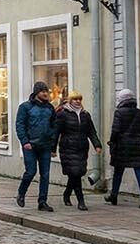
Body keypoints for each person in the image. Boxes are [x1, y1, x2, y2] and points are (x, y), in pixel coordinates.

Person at [54, 90, 102, 211]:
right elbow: (56, 132)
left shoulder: (85, 114)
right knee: (75, 174)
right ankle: (81, 201)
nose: (78, 101)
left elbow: (91, 131)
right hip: (68, 148)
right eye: (75, 99)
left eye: (79, 99)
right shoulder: (63, 114)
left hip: (81, 148)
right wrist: (53, 149)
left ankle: (67, 193)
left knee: (77, 173)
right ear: (70, 100)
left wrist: (97, 144)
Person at [15, 81, 59, 212]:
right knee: (31, 171)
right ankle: (21, 193)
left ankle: (42, 201)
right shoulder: (25, 107)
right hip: (31, 145)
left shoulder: (50, 108)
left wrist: (52, 144)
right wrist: (25, 141)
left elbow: (54, 125)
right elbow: (20, 125)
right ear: (36, 93)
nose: (46, 93)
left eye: (47, 91)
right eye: (43, 91)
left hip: (45, 145)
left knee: (45, 174)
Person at [106, 89, 140, 209]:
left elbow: (115, 130)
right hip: (137, 144)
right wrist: (139, 138)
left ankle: (114, 195)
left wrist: (112, 142)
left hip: (122, 145)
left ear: (121, 100)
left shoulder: (119, 113)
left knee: (118, 172)